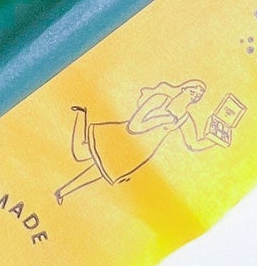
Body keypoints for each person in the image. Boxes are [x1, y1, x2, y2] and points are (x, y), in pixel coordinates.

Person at [55, 79, 224, 204]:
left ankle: (61, 192)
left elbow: (193, 143)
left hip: (137, 153)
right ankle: (81, 114)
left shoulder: (185, 119)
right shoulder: (160, 99)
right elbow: (134, 126)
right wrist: (164, 119)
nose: (195, 95)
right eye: (193, 90)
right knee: (81, 153)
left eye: (198, 95)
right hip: (123, 138)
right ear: (183, 88)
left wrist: (214, 139)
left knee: (99, 171)